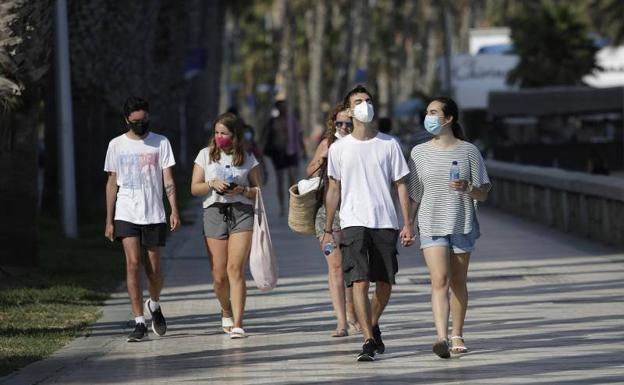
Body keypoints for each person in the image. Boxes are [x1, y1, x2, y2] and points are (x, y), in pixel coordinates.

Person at [323, 85, 414, 361]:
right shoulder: (339, 149)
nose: (365, 105)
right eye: (359, 101)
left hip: (385, 221)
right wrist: (328, 229)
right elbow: (334, 189)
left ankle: (372, 323)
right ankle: (367, 340)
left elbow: (401, 185)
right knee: (359, 281)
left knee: (385, 283)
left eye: (368, 100)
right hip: (352, 222)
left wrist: (407, 223)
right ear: (349, 111)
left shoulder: (389, 144)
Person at [407, 97, 491, 358]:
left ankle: (457, 334)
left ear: (449, 118)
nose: (428, 116)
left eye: (434, 112)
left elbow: (484, 193)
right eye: (427, 112)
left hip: (462, 222)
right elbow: (414, 194)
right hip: (431, 222)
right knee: (439, 280)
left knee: (457, 281)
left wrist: (468, 187)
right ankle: (441, 337)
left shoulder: (469, 151)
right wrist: (408, 224)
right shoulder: (418, 153)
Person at [104, 96, 181, 342]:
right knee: (133, 263)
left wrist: (174, 210)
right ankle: (139, 322)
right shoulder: (116, 145)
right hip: (126, 212)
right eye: (135, 121)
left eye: (144, 120)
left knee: (155, 270)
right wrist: (109, 219)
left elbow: (168, 179)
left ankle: (154, 305)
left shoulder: (161, 143)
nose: (141, 124)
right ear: (127, 120)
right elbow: (112, 183)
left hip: (153, 212)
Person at [191, 112, 261, 339]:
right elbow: (194, 188)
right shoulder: (205, 155)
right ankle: (226, 309)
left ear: (235, 136)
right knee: (219, 276)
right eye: (216, 133)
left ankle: (239, 323)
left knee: (235, 269)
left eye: (224, 133)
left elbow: (258, 191)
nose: (219, 137)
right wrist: (212, 183)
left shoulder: (248, 158)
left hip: (241, 213)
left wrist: (240, 190)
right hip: (214, 213)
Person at [305, 102, 360, 337]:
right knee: (335, 267)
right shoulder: (328, 143)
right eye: (339, 123)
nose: (344, 127)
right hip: (328, 215)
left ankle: (353, 313)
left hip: (356, 212)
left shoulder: (362, 146)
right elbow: (309, 171)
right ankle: (341, 321)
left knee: (352, 268)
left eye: (349, 123)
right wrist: (322, 159)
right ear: (333, 124)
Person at [262, 99, 304, 217]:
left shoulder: (292, 121)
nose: (284, 109)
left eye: (285, 106)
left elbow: (299, 135)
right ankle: (282, 207)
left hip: (292, 152)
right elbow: (265, 135)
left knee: (291, 179)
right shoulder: (273, 121)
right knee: (280, 181)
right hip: (278, 153)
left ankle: (292, 205)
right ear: (277, 108)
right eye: (281, 107)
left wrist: (303, 149)